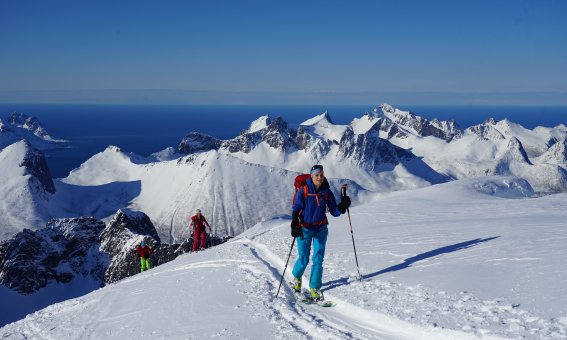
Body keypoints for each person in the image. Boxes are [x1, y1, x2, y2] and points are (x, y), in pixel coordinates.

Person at [291, 164, 351, 300]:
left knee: (318, 258)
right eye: (316, 175)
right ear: (312, 177)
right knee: (304, 258)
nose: (319, 177)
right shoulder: (304, 190)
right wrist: (294, 223)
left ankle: (314, 287)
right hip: (305, 228)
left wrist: (342, 206)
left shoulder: (326, 192)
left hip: (321, 228)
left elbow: (334, 211)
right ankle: (297, 277)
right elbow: (296, 208)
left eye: (321, 175)